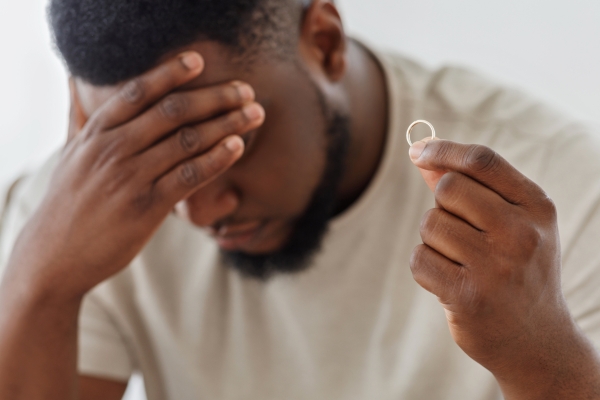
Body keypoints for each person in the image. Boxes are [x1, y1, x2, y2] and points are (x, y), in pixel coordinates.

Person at [1, 0, 600, 398]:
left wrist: (538, 356)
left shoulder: (562, 191)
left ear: (325, 40)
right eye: (150, 157)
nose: (197, 211)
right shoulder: (82, 216)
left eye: (231, 142)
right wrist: (40, 284)